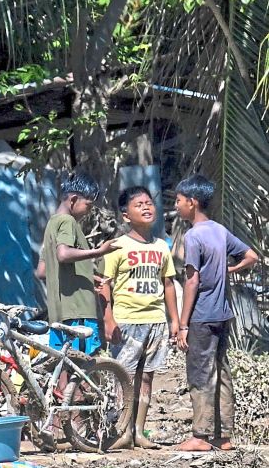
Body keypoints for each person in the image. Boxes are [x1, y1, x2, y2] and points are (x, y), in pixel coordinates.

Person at [173, 175, 259, 451]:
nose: (176, 206)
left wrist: (183, 324)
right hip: (223, 314)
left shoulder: (193, 235)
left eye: (178, 201)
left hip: (201, 315)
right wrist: (230, 269)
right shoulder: (219, 230)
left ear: (192, 202)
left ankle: (200, 435)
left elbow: (192, 281)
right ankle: (224, 437)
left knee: (200, 373)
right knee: (222, 372)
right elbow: (251, 256)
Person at [97, 186, 180, 448]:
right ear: (125, 215)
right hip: (127, 321)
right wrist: (109, 319)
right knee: (125, 376)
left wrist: (175, 321)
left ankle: (139, 432)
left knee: (147, 377)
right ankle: (122, 432)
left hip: (156, 320)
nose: (146, 207)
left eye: (149, 203)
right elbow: (105, 285)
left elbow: (168, 285)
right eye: (139, 204)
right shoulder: (118, 246)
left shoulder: (161, 247)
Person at [36, 172, 119, 353]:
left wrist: (86, 277)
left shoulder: (52, 224)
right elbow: (63, 255)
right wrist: (99, 251)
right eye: (88, 205)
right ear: (73, 200)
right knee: (83, 365)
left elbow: (42, 271)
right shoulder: (67, 221)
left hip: (59, 313)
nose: (89, 211)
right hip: (78, 312)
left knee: (63, 366)